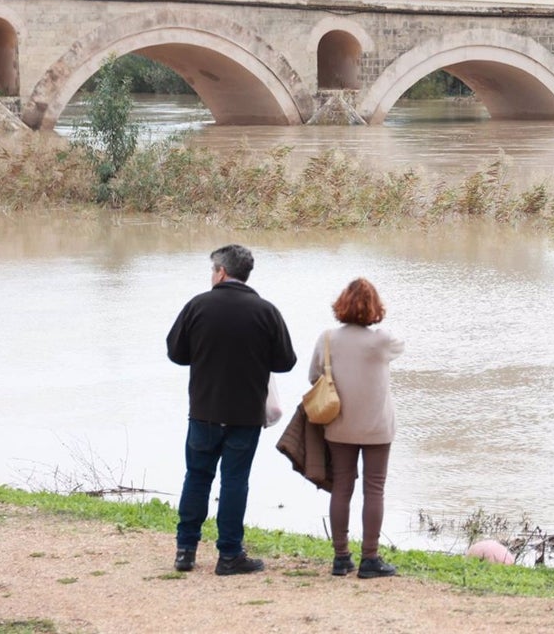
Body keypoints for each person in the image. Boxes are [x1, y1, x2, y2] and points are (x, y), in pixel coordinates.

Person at [167, 244, 297, 576]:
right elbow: (286, 362)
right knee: (234, 481)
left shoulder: (198, 306)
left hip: (204, 410)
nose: (211, 275)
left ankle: (185, 550)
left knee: (197, 477)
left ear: (222, 272)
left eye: (212, 269)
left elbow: (176, 353)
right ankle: (229, 555)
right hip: (245, 414)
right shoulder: (265, 311)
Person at [313, 277, 404, 578]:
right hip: (377, 427)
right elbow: (401, 346)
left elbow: (313, 375)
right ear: (375, 307)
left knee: (341, 487)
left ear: (341, 305)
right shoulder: (382, 340)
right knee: (374, 488)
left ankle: (341, 558)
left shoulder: (327, 338)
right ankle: (370, 558)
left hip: (339, 425)